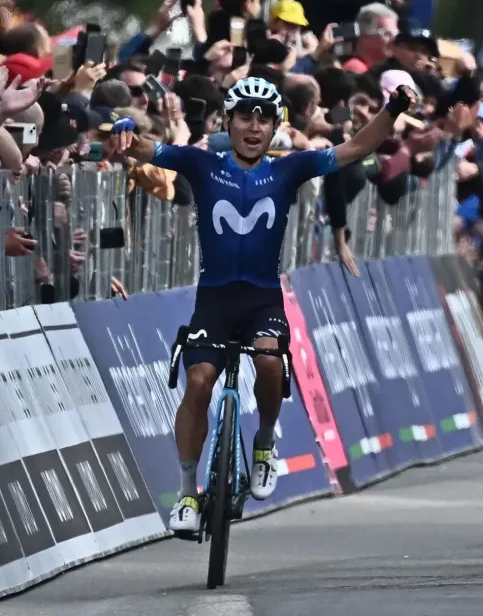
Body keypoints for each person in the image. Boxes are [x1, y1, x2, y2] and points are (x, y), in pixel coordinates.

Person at [105, 76, 418, 533]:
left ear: (275, 127)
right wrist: (123, 129)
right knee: (198, 381)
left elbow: (352, 149)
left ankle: (265, 443)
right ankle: (188, 492)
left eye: (264, 119)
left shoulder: (288, 169)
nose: (254, 127)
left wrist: (392, 110)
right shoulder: (201, 162)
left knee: (271, 363)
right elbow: (143, 150)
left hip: (262, 300)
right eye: (245, 118)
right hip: (213, 300)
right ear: (226, 122)